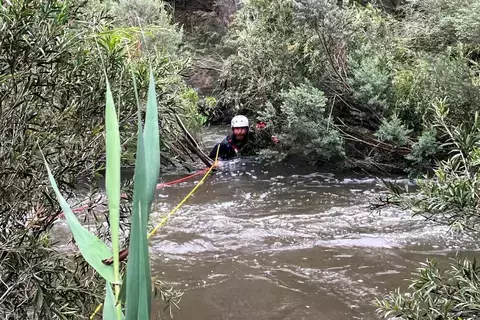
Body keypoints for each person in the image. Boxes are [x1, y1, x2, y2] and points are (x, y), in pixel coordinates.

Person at [209, 115, 280, 161]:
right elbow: (211, 158)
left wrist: (273, 141)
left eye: (243, 129)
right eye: (237, 129)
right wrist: (218, 162)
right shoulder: (224, 144)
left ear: (247, 129)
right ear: (232, 129)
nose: (240, 132)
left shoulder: (254, 136)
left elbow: (267, 141)